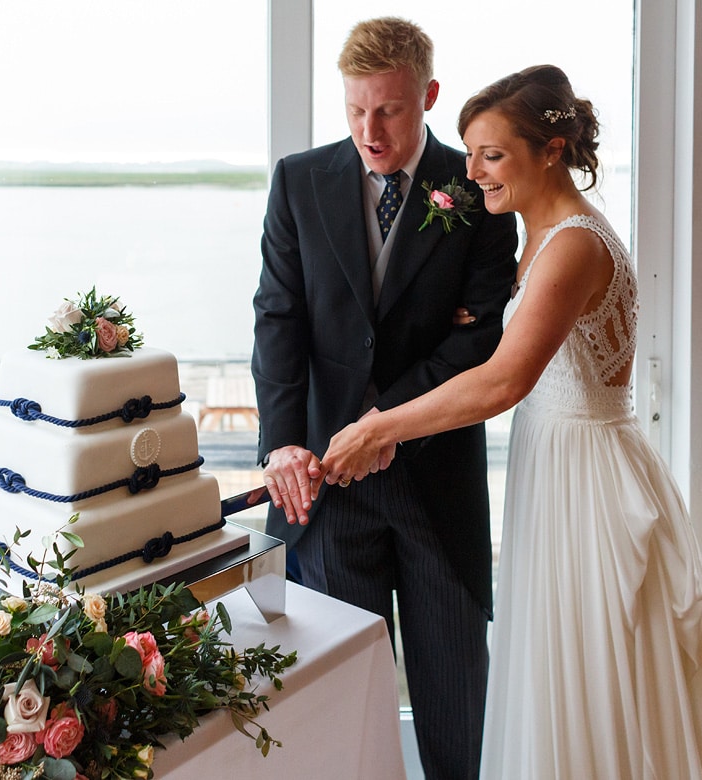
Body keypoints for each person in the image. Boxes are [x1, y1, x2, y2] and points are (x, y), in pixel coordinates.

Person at [319, 64, 702, 779]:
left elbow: (505, 378)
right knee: (559, 673)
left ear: (549, 151)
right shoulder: (538, 240)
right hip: (558, 468)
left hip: (588, 485)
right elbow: (504, 347)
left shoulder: (573, 245)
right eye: (472, 152)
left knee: (592, 679)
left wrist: (376, 427)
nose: (474, 171)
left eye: (493, 154)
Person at [251, 17, 518, 779]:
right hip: (330, 492)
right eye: (355, 109)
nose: (370, 130)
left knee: (456, 711)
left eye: (390, 110)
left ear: (428, 95)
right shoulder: (298, 182)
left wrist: (384, 425)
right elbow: (279, 321)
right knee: (345, 716)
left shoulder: (477, 188)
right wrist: (282, 444)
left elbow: (480, 341)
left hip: (439, 485)